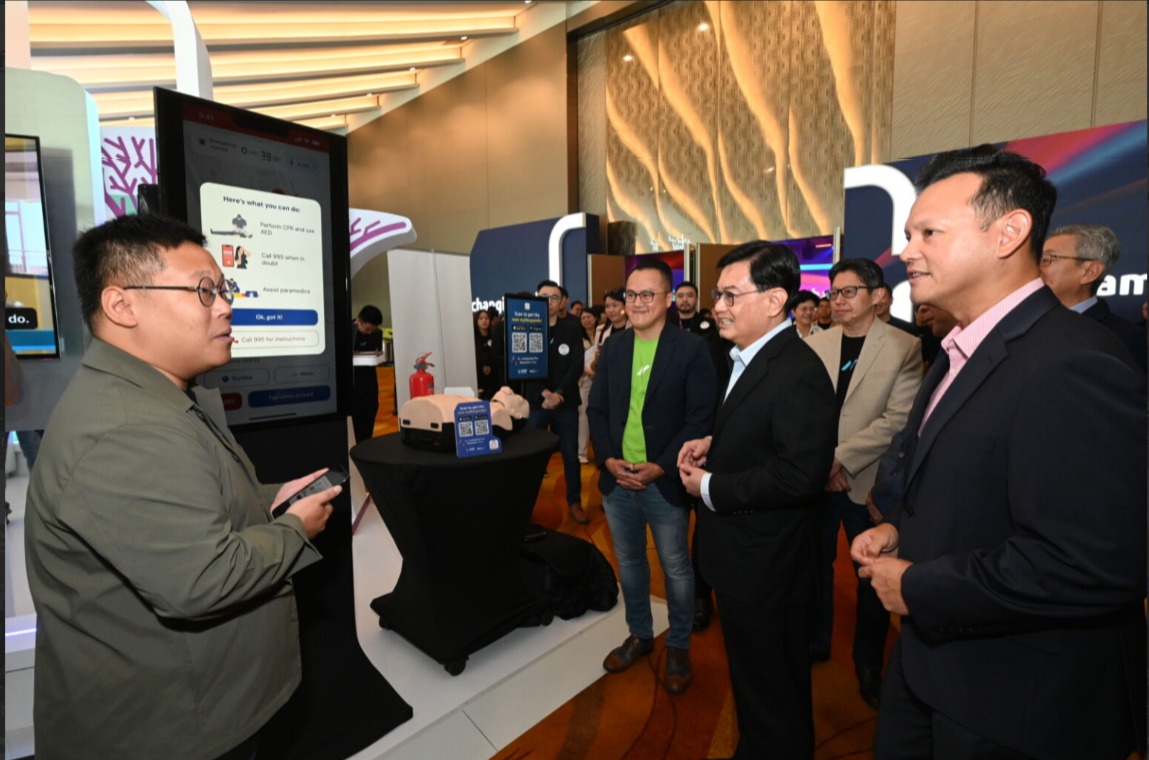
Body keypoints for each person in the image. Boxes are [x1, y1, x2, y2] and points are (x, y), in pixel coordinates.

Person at [852, 145, 1146, 759]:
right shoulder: (960, 348)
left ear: (1009, 232)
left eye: (929, 231)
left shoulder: (1073, 361)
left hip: (1018, 701)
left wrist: (921, 587)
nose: (907, 250)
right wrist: (904, 535)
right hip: (933, 666)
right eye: (908, 233)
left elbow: (1093, 562)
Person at [24, 214, 341, 760]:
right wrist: (294, 529)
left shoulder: (152, 399)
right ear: (122, 306)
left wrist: (268, 498)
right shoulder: (126, 430)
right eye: (203, 291)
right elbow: (201, 580)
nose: (224, 306)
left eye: (223, 289)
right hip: (171, 731)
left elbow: (193, 500)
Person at [677, 241, 837, 758]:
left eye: (729, 294)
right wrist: (715, 443)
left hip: (768, 567)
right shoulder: (748, 356)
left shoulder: (797, 370)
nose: (717, 305)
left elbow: (800, 475)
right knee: (754, 683)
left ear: (774, 301)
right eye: (716, 294)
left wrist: (709, 487)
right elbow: (762, 435)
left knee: (774, 694)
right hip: (744, 561)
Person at [588, 259, 716, 695]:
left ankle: (678, 644)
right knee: (629, 563)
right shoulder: (617, 348)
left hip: (663, 481)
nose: (637, 302)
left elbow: (700, 418)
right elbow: (598, 410)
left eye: (647, 294)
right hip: (617, 481)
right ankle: (641, 633)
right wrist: (608, 460)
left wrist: (659, 465)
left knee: (676, 567)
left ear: (668, 299)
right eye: (631, 294)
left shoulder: (691, 349)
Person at [804, 259, 922, 708]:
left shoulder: (903, 347)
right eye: (834, 292)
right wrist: (820, 463)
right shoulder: (816, 343)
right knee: (814, 568)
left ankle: (868, 661)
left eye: (849, 291)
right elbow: (804, 412)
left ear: (876, 295)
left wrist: (839, 460)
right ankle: (816, 641)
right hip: (814, 482)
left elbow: (898, 421)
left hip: (866, 484)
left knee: (871, 577)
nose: (838, 300)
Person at [1039, 223, 1146, 369]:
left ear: (1090, 272)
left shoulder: (1124, 339)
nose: (1037, 269)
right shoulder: (1025, 326)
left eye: (1047, 259)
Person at [525, 279, 587, 524]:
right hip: (537, 402)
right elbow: (523, 365)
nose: (549, 301)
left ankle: (575, 502)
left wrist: (559, 392)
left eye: (554, 297)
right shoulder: (526, 326)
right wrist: (544, 393)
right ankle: (525, 503)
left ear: (561, 301)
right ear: (536, 297)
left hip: (566, 402)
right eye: (544, 296)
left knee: (571, 455)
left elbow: (576, 364)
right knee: (532, 457)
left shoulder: (571, 328)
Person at [351, 304, 384, 443]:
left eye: (373, 329)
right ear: (359, 321)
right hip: (353, 382)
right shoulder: (349, 332)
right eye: (367, 329)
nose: (370, 333)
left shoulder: (377, 334)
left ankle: (366, 444)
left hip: (369, 382)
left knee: (369, 413)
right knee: (356, 419)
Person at [576, 308, 598, 463]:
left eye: (589, 317)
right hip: (583, 379)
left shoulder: (602, 334)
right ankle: (582, 452)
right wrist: (588, 372)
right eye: (583, 317)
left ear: (595, 318)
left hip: (600, 379)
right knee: (583, 415)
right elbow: (575, 359)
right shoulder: (577, 337)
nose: (586, 320)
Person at [474, 308, 504, 400]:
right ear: (476, 321)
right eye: (481, 318)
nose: (484, 321)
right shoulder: (473, 340)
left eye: (486, 318)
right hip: (478, 381)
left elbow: (499, 357)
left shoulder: (495, 337)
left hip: (494, 381)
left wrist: (491, 368)